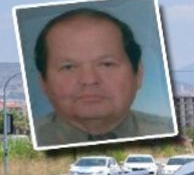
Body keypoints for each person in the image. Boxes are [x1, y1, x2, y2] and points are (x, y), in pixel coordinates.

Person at [33, 8, 173, 147]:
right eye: (69, 67)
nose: (89, 80)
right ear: (43, 83)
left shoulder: (168, 133)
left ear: (138, 75)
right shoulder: (33, 141)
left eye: (106, 64)